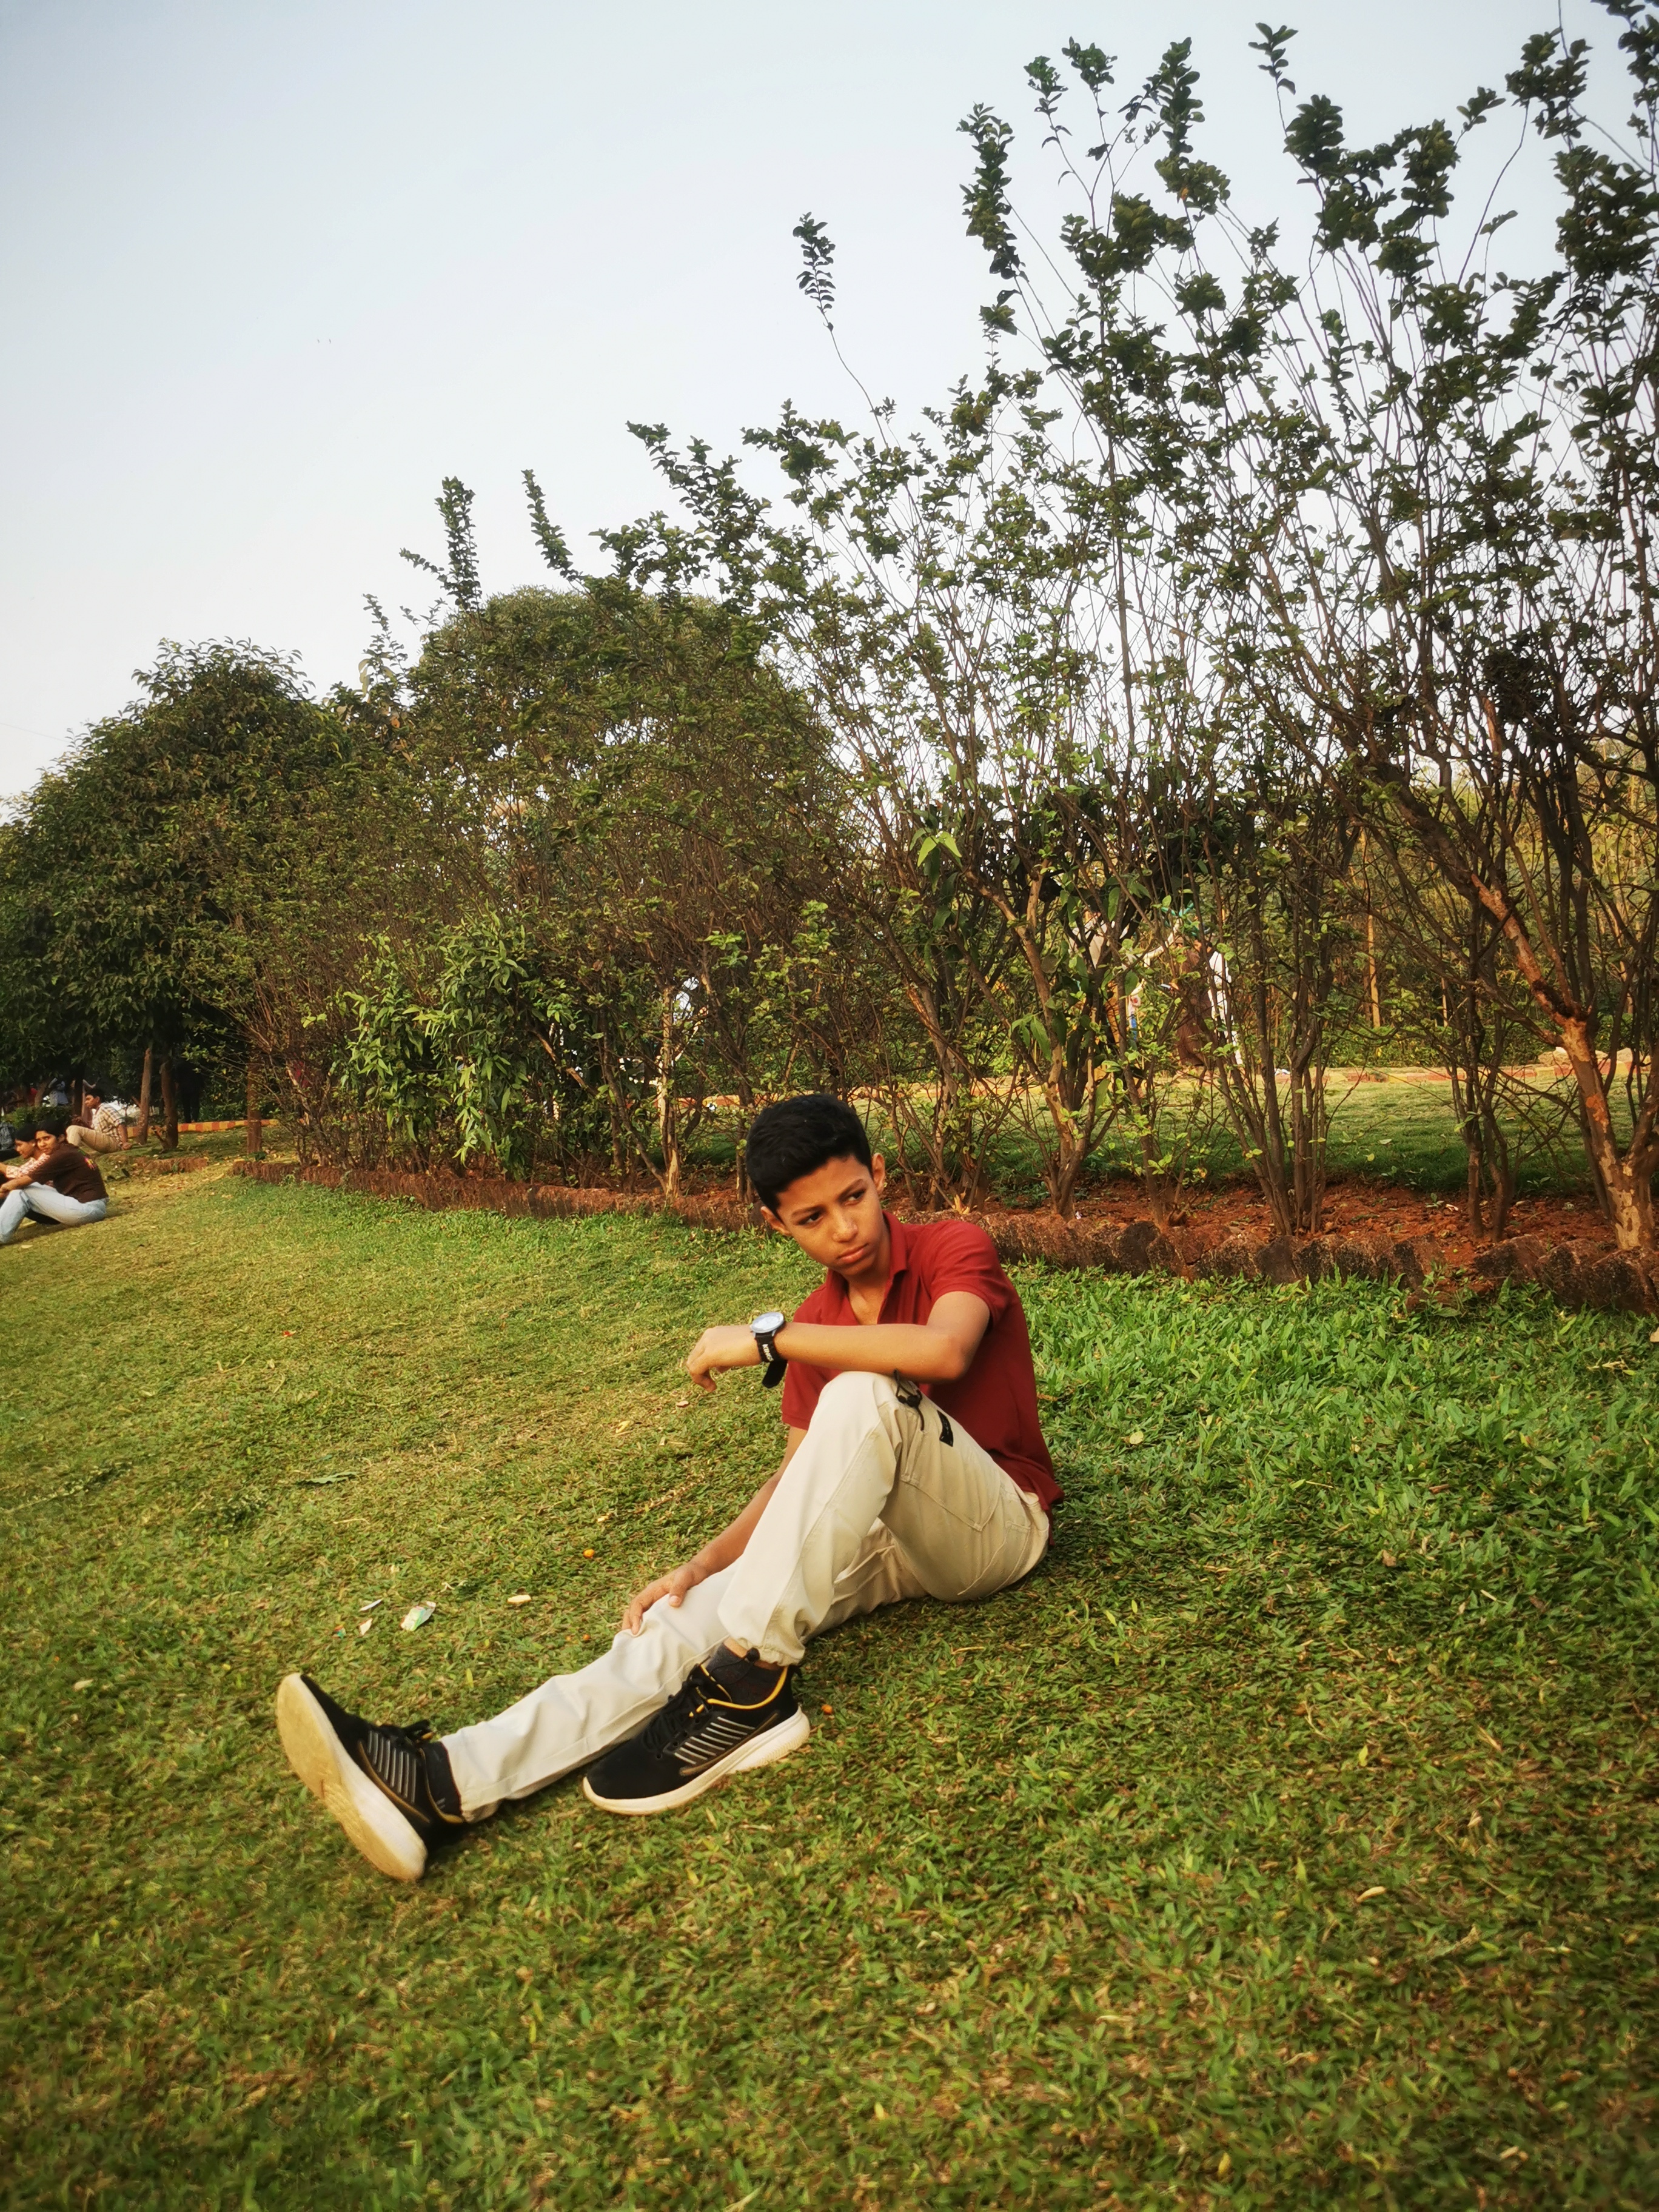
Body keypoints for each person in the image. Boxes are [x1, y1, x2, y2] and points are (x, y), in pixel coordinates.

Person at [276, 1092, 1061, 1882]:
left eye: (854, 1197)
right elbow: (798, 1479)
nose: (845, 1227)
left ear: (879, 1176)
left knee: (864, 1394)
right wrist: (699, 1568)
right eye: (812, 1217)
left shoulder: (951, 1247)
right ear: (777, 1224)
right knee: (679, 1623)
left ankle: (752, 1687)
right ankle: (444, 1783)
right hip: (881, 1539)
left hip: (994, 1527)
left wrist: (770, 1341)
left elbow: (946, 1351)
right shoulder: (817, 1321)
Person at [0, 1111, 111, 1245]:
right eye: (39, 1140)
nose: (42, 1144)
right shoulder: (69, 1150)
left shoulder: (61, 1156)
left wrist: (6, 1188)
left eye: (47, 1139)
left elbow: (20, 1181)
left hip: (89, 1209)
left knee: (23, 1190)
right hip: (91, 1206)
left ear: (61, 1138)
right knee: (23, 1189)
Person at [67, 1091, 131, 1155]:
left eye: (88, 1099)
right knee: (70, 1129)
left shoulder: (105, 1108)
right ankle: (70, 1154)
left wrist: (125, 1143)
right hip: (106, 1142)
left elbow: (120, 1123)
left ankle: (71, 1156)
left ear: (97, 1099)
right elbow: (95, 1133)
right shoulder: (97, 1113)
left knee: (74, 1129)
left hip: (115, 1143)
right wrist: (83, 1123)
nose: (86, 1102)